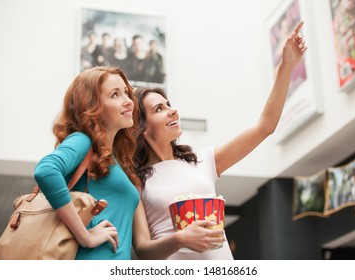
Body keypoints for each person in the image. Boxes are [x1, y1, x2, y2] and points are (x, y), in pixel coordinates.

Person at [132, 21, 307, 260]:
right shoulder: (135, 180)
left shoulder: (203, 161)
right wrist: (180, 239)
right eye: (159, 109)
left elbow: (265, 127)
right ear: (141, 127)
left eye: (169, 105)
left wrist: (286, 67)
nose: (173, 111)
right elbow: (142, 251)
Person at [34, 66, 140, 260]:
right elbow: (46, 170)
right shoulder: (82, 140)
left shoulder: (111, 156)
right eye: (115, 95)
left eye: (126, 92)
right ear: (92, 107)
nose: (128, 101)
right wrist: (86, 237)